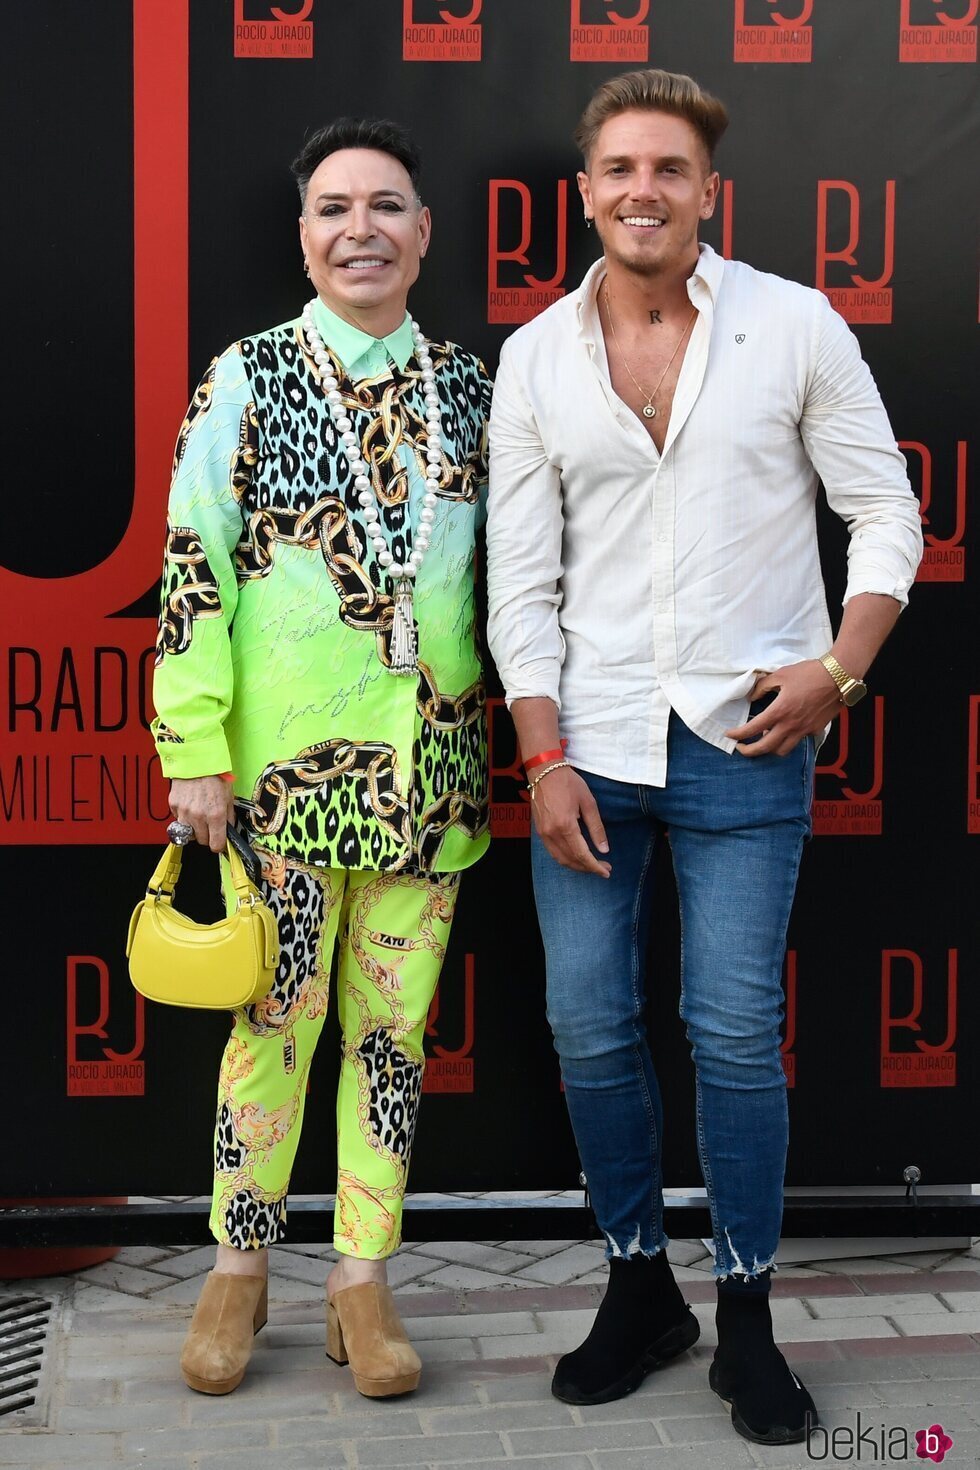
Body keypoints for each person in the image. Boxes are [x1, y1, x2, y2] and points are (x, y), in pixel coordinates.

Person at [486, 69, 922, 1445]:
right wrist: (543, 751)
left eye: (667, 169)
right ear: (586, 190)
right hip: (593, 745)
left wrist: (840, 669)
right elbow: (519, 582)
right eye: (618, 169)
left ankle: (744, 1311)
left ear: (705, 189)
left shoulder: (793, 324)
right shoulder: (536, 356)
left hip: (751, 738)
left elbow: (886, 514)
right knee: (586, 1024)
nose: (642, 192)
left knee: (733, 1032)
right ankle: (638, 1286)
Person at [152, 117, 491, 1400]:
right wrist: (193, 748)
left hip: (433, 782)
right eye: (334, 208)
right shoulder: (243, 377)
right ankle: (237, 1269)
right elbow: (192, 570)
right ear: (303, 236)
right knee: (270, 1030)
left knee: (392, 1041)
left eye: (387, 206)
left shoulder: (472, 389)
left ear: (422, 233)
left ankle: (362, 1279)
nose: (361, 228)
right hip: (280, 788)